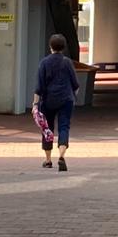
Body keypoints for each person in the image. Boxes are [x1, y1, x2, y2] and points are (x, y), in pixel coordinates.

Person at [36, 33, 78, 170]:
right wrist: (73, 96)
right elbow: (75, 84)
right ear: (64, 47)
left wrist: (35, 104)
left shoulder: (44, 63)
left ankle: (48, 160)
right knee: (64, 126)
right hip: (66, 99)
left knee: (47, 128)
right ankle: (61, 155)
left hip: (48, 100)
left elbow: (39, 87)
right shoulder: (67, 62)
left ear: (50, 47)